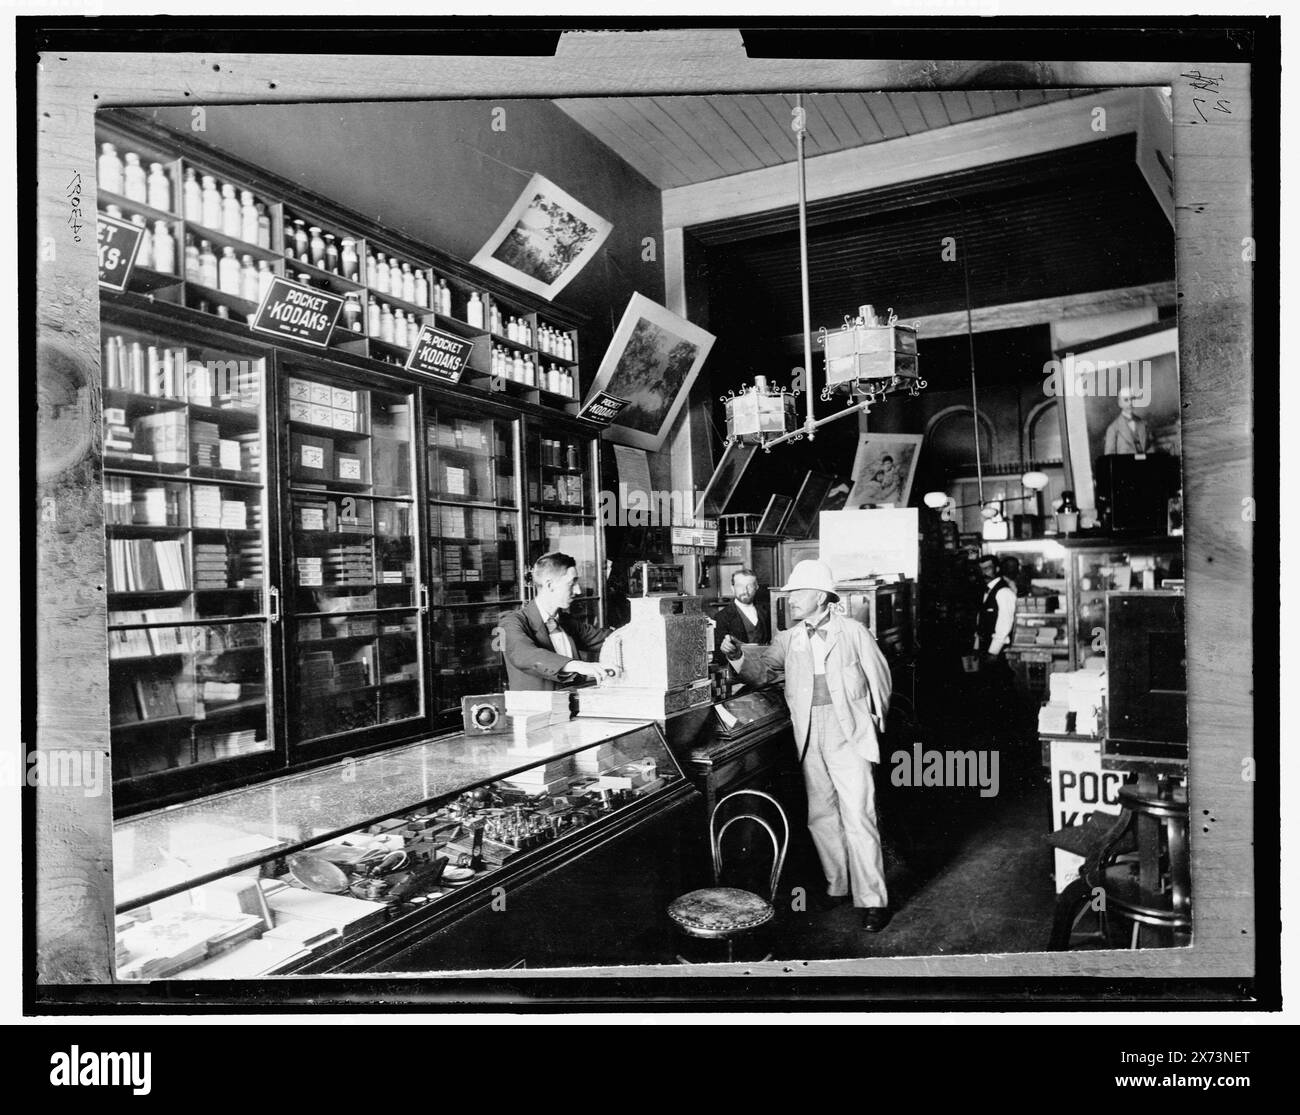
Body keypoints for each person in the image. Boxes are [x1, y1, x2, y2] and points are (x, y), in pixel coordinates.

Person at [722, 559, 893, 933]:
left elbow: (880, 681)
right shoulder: (789, 638)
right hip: (809, 734)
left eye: (798, 593)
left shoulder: (853, 632)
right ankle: (838, 885)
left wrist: (873, 726)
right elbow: (762, 673)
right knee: (821, 816)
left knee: (859, 816)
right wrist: (736, 657)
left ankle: (873, 900)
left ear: (820, 596)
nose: (791, 600)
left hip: (848, 733)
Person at [498, 552, 614, 691]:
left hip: (571, 705)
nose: (577, 591)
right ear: (550, 585)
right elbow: (525, 654)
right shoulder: (511, 622)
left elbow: (606, 639)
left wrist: (638, 631)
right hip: (536, 710)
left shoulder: (566, 622)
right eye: (572, 583)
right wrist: (579, 665)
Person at [974, 554, 1021, 743]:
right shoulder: (987, 591)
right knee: (990, 691)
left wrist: (993, 651)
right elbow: (981, 621)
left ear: (997, 569)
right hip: (987, 649)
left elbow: (1004, 624)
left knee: (1000, 690)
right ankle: (994, 731)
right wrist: (977, 646)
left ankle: (1004, 733)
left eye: (988, 568)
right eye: (982, 569)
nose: (984, 573)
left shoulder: (1004, 592)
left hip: (998, 652)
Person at [712, 567, 771, 653]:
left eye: (749, 586)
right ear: (732, 588)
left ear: (756, 587)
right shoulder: (721, 617)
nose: (745, 591)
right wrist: (724, 648)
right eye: (740, 586)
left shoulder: (768, 611)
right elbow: (718, 655)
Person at [1103, 387, 1151, 455]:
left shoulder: (1143, 424)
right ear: (1120, 403)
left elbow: (1149, 449)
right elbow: (1110, 458)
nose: (1130, 403)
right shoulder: (1113, 429)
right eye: (1126, 400)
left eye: (1132, 399)